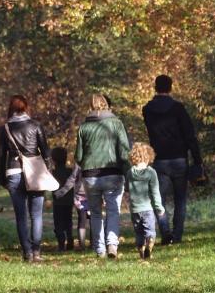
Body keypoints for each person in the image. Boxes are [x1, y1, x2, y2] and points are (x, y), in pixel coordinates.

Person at [142, 75, 203, 244]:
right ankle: (177, 236)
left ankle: (165, 232)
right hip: (179, 159)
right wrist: (197, 160)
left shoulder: (147, 109)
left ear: (155, 87)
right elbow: (189, 135)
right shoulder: (178, 109)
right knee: (180, 199)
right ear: (170, 88)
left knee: (159, 199)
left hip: (159, 159)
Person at [75, 94, 130, 258]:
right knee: (113, 210)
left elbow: (78, 157)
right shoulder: (117, 124)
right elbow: (124, 152)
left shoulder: (83, 128)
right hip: (113, 173)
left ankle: (100, 250)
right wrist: (127, 171)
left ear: (90, 107)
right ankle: (112, 245)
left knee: (96, 213)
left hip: (90, 175)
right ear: (107, 105)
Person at [0, 95, 51, 262]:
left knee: (21, 216)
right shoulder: (36, 126)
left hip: (13, 173)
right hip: (35, 173)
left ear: (11, 109)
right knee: (36, 215)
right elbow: (46, 152)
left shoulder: (5, 129)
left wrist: (2, 179)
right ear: (26, 107)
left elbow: (0, 157)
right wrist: (46, 171)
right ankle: (37, 252)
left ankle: (27, 253)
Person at [126, 142, 165, 259]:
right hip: (147, 209)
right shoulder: (151, 172)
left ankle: (142, 254)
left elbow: (127, 188)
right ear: (148, 156)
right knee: (150, 231)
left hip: (134, 209)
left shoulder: (129, 173)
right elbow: (155, 192)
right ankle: (150, 245)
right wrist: (159, 207)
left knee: (139, 233)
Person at [55, 164, 90, 251]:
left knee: (82, 220)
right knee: (93, 219)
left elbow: (72, 179)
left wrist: (61, 192)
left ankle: (83, 246)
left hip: (82, 195)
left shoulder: (79, 165)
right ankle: (93, 244)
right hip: (91, 194)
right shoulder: (98, 161)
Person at [51, 147, 74, 251]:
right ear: (65, 158)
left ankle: (61, 243)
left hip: (58, 202)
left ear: (53, 159)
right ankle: (70, 241)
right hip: (69, 202)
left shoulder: (52, 173)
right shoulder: (70, 171)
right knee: (68, 222)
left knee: (58, 224)